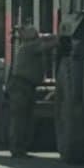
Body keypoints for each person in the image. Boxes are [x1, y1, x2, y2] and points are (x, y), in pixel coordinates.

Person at [8, 25, 56, 158]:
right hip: (22, 86)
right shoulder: (30, 47)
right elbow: (49, 45)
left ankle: (19, 148)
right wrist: (59, 37)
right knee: (21, 118)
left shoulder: (27, 46)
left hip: (24, 86)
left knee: (24, 118)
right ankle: (17, 148)